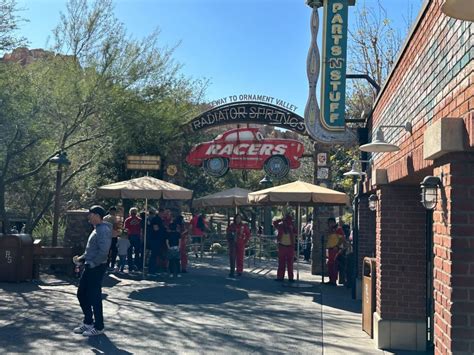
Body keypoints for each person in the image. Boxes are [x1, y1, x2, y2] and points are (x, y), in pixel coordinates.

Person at [73, 205, 112, 336]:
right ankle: (88, 322)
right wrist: (81, 259)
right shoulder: (96, 229)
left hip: (96, 267)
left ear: (96, 215)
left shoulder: (103, 230)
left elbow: (104, 251)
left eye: (90, 214)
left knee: (94, 297)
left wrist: (94, 263)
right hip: (90, 266)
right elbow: (91, 251)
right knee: (82, 294)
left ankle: (99, 327)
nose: (88, 216)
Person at [273, 213, 297, 282]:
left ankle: (291, 278)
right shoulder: (280, 226)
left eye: (288, 221)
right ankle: (280, 277)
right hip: (282, 246)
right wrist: (280, 219)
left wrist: (292, 226)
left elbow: (297, 232)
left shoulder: (291, 227)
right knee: (281, 263)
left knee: (290, 264)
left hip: (290, 247)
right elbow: (274, 222)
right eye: (285, 221)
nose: (286, 222)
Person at [226, 214, 251, 278]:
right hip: (233, 244)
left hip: (240, 243)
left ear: (241, 219)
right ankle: (232, 271)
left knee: (240, 258)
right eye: (237, 218)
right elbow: (227, 233)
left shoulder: (244, 226)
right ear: (235, 219)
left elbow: (248, 234)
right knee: (232, 257)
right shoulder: (232, 225)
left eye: (239, 218)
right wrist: (229, 241)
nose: (238, 219)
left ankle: (239, 271)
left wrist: (244, 242)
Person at [325, 217, 345, 286]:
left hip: (335, 249)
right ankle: (331, 280)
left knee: (334, 265)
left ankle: (334, 281)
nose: (329, 224)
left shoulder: (338, 229)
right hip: (330, 249)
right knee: (330, 265)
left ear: (333, 222)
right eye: (328, 223)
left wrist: (337, 246)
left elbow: (342, 238)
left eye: (330, 223)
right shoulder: (331, 230)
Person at [147, 210, 164, 275]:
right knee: (153, 255)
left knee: (155, 255)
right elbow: (155, 228)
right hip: (155, 239)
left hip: (156, 239)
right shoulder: (156, 219)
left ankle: (154, 269)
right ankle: (151, 270)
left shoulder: (158, 219)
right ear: (159, 213)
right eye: (162, 213)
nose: (163, 214)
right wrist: (162, 230)